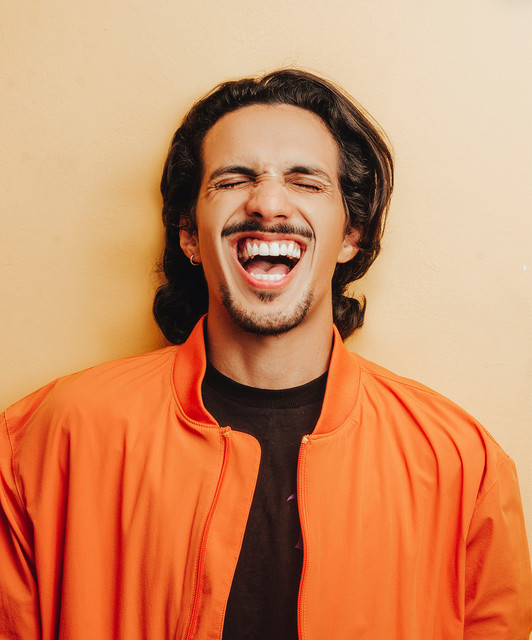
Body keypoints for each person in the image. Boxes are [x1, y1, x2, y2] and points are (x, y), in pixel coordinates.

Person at [0, 69, 530, 640]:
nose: (269, 203)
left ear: (351, 233)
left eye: (306, 181)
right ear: (188, 233)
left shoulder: (462, 465)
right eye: (234, 179)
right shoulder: (46, 442)